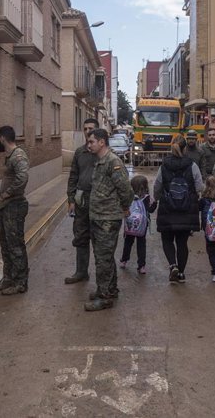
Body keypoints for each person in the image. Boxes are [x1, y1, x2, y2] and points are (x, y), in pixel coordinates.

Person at [86, 129, 134, 311]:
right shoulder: (100, 161)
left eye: (91, 142)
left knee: (103, 259)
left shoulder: (113, 162)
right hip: (98, 217)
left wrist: (125, 207)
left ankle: (104, 297)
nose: (89, 145)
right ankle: (110, 288)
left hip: (108, 219)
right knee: (104, 256)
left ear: (101, 142)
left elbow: (125, 189)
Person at [154, 134, 203, 284]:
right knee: (182, 243)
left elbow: (157, 185)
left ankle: (172, 266)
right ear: (185, 148)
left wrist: (156, 199)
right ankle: (181, 273)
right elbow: (199, 186)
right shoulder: (192, 165)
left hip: (168, 207)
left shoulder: (164, 165)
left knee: (167, 239)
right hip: (186, 209)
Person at [0, 125, 30, 296]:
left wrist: (6, 194)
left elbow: (22, 178)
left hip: (15, 206)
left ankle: (20, 282)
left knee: (15, 245)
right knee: (5, 243)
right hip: (7, 206)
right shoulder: (10, 156)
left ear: (2, 138)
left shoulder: (18, 155)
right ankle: (8, 278)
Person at [64, 118, 99, 285]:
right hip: (82, 203)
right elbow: (73, 176)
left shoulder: (103, 152)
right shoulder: (79, 153)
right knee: (81, 237)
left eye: (90, 128)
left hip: (99, 203)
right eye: (85, 128)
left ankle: (103, 279)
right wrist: (71, 199)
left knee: (100, 241)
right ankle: (81, 272)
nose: (87, 131)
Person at [119, 175, 157, 275]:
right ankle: (141, 266)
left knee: (128, 242)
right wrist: (155, 203)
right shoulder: (147, 198)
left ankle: (124, 260)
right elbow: (151, 210)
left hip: (130, 225)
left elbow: (124, 207)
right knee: (141, 245)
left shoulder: (129, 197)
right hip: (142, 227)